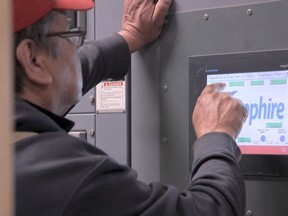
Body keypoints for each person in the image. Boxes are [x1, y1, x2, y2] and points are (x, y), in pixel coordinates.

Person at [13, 0, 247, 215]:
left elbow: (73, 69)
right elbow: (209, 210)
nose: (76, 47)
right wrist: (216, 136)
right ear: (33, 60)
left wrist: (130, 36)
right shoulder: (60, 175)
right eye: (70, 36)